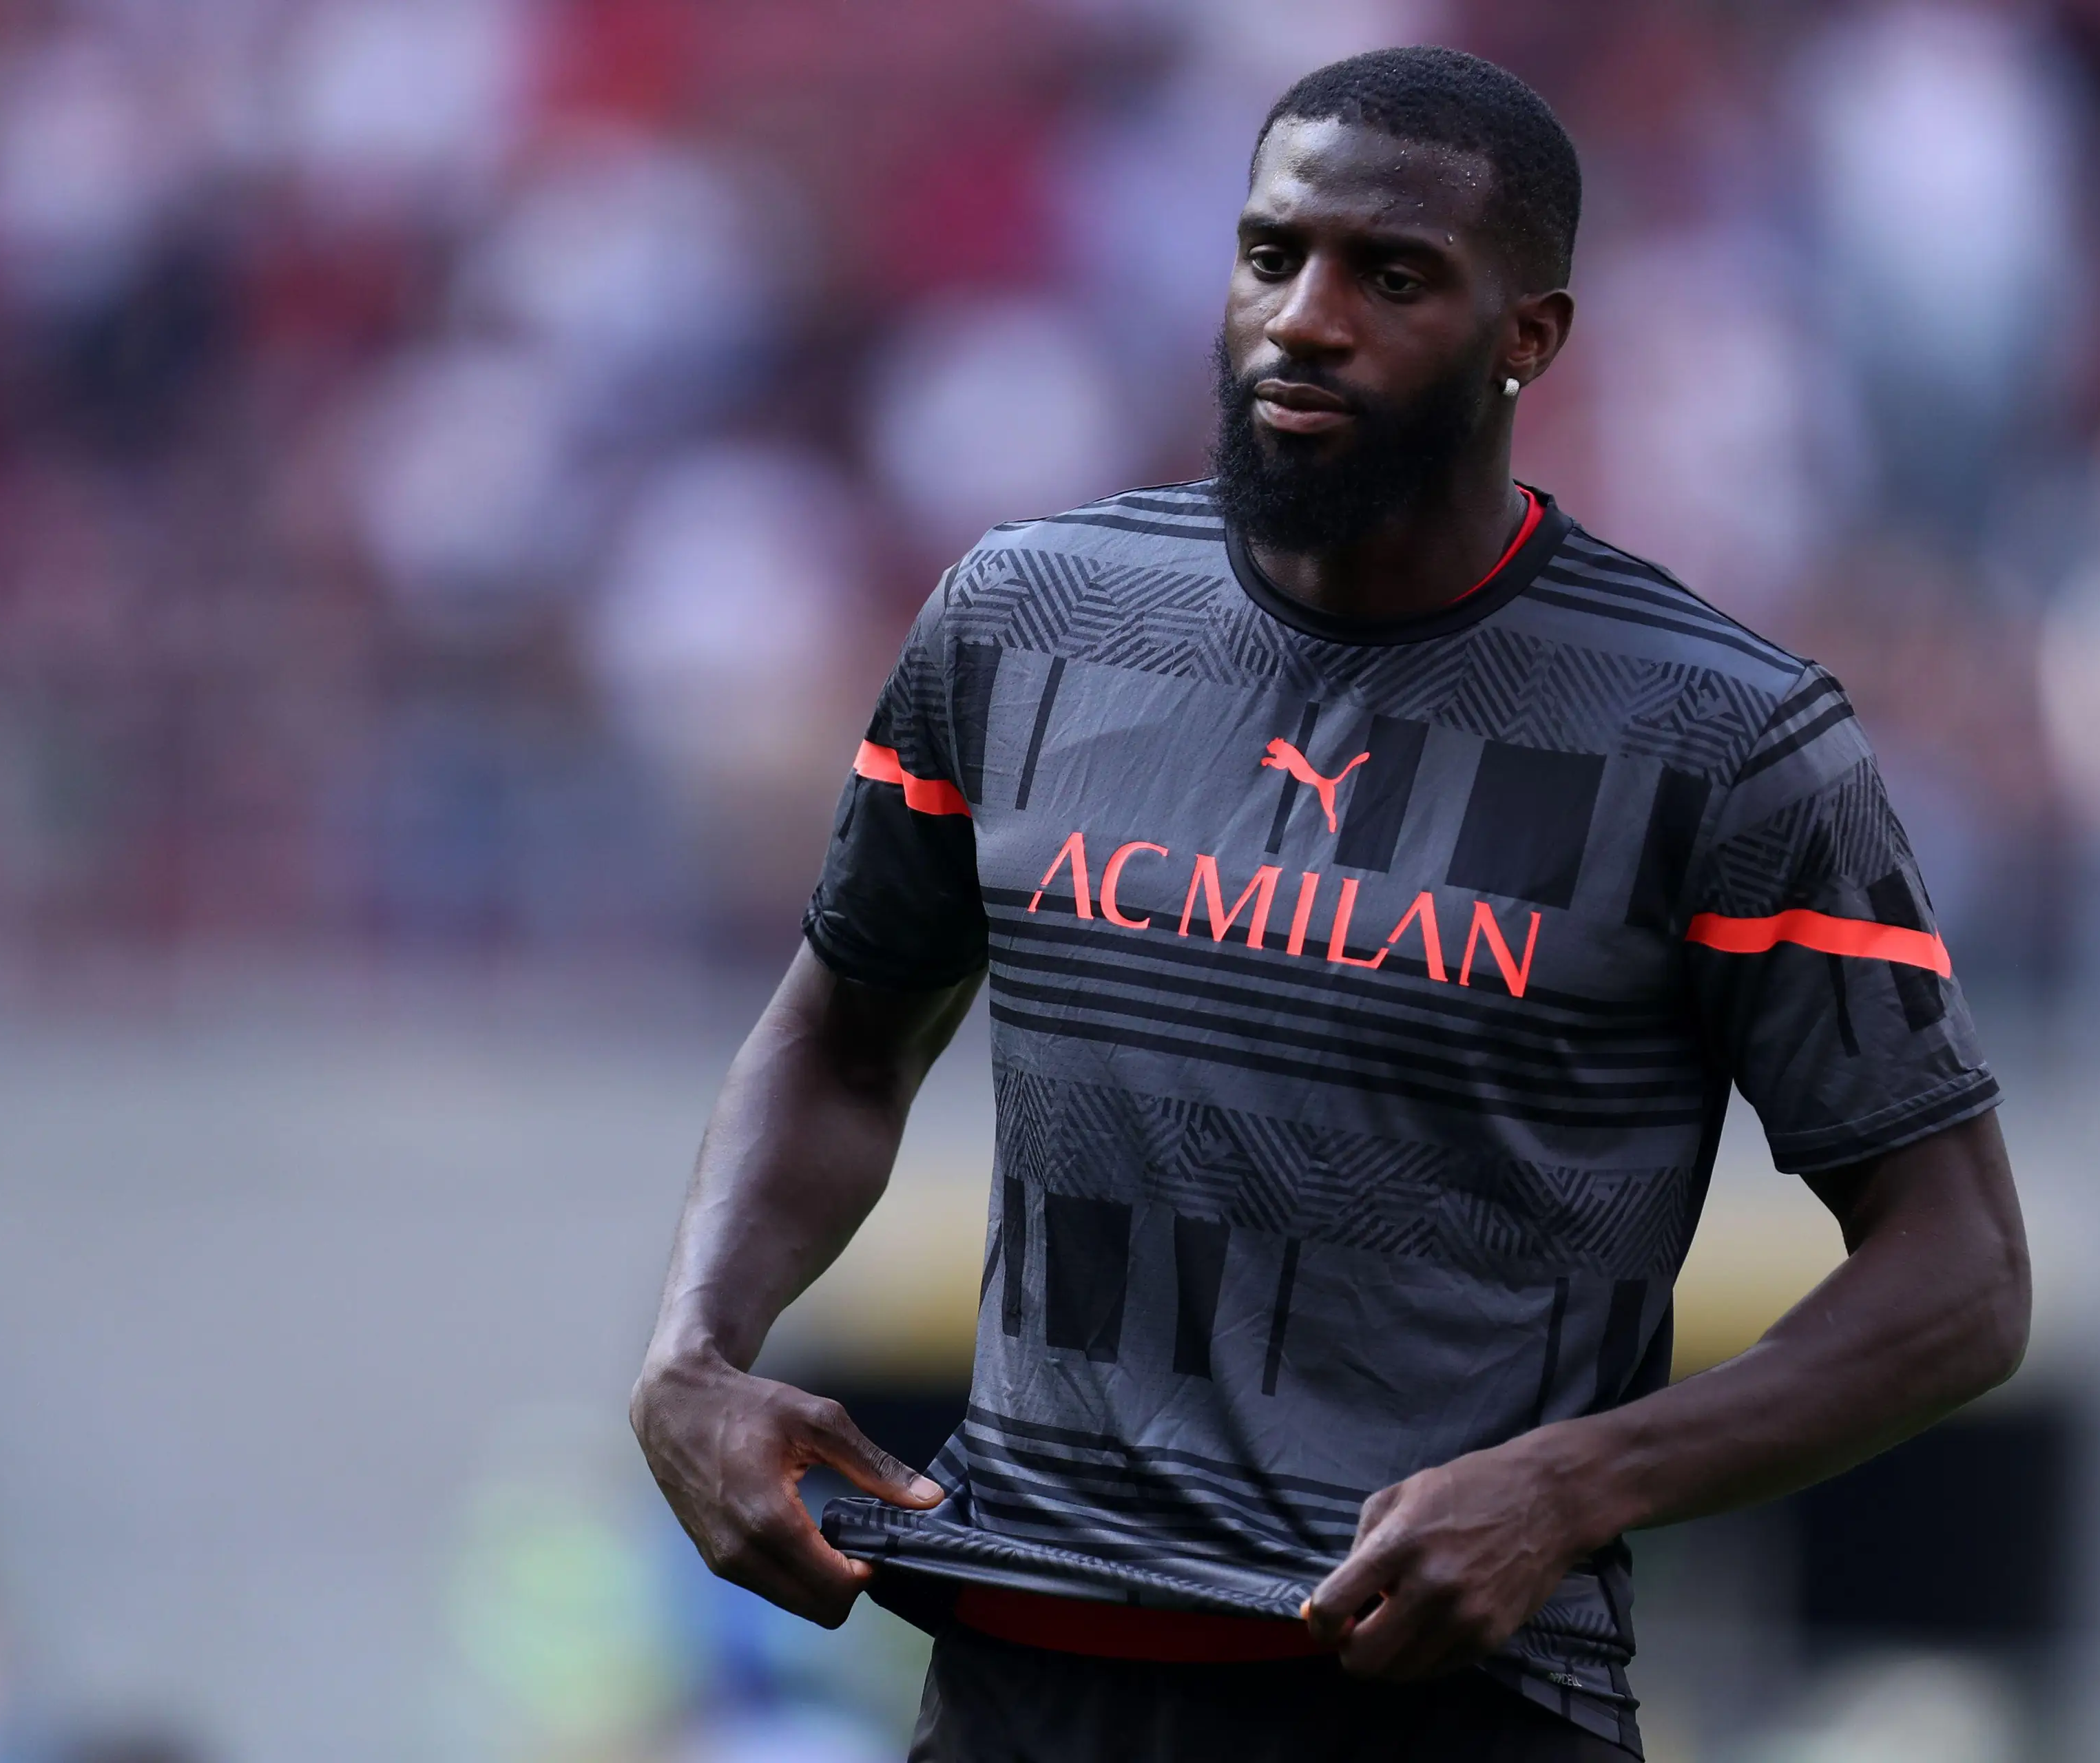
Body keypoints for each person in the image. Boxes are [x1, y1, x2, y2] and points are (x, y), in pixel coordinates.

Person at [630, 45, 2030, 1763]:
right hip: (1021, 1685)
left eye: (1395, 275)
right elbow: (843, 1037)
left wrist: (1575, 1480)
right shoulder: (1022, 622)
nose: (1306, 318)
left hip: (1448, 1716)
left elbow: (1961, 1275)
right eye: (1272, 255)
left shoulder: (1724, 737)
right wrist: (697, 1350)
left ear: (1531, 335)